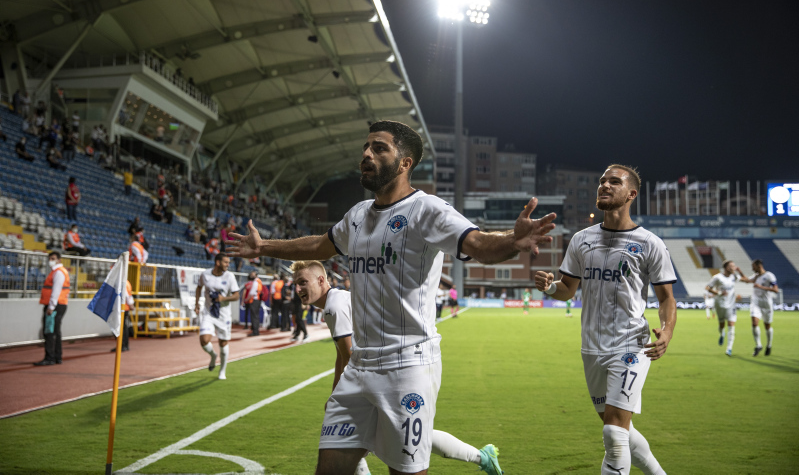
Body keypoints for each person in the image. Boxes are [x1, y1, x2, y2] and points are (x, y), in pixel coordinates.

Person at [225, 120, 555, 474]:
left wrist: (511, 241)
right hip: (360, 367)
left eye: (379, 148)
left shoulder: (426, 210)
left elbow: (477, 244)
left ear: (404, 163)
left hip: (407, 367)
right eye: (366, 147)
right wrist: (263, 247)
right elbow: (320, 244)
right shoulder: (356, 216)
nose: (367, 154)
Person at [293, 259, 504, 475]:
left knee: (364, 436)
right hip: (384, 370)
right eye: (296, 284)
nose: (298, 289)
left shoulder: (334, 307)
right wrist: (337, 392)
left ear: (321, 280)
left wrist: (339, 396)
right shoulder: (337, 301)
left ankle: (483, 457)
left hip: (386, 372)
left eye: (302, 282)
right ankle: (483, 457)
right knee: (408, 437)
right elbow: (343, 354)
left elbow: (348, 354)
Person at [535, 164, 676, 475]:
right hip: (592, 348)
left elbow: (666, 298)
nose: (604, 186)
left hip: (630, 345)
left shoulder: (649, 243)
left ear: (631, 193)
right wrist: (550, 286)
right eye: (602, 181)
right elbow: (566, 290)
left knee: (613, 433)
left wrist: (666, 331)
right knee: (619, 429)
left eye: (614, 182)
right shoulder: (581, 240)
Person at [194, 253, 240, 380]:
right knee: (204, 340)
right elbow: (199, 288)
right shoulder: (205, 274)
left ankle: (222, 371)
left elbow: (236, 295)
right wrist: (197, 303)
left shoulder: (230, 276)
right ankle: (213, 356)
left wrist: (223, 298)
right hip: (208, 312)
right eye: (226, 262)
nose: (228, 265)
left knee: (223, 343)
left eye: (228, 262)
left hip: (224, 314)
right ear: (218, 262)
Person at [34, 251, 70, 366]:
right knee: (56, 331)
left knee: (49, 331)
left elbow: (56, 291)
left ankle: (50, 357)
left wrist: (51, 307)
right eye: (50, 258)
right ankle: (57, 357)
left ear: (59, 260)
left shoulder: (58, 273)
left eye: (53, 258)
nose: (51, 260)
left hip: (55, 306)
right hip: (60, 304)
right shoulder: (59, 271)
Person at [739, 259, 779, 356]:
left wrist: (761, 287)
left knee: (767, 326)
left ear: (758, 266)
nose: (752, 269)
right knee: (754, 322)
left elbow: (776, 290)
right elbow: (747, 280)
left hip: (766, 304)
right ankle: (758, 345)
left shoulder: (769, 275)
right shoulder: (756, 276)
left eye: (753, 266)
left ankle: (769, 345)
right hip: (756, 302)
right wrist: (738, 273)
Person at [706, 260, 746, 356]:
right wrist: (719, 293)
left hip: (731, 305)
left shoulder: (734, 276)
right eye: (732, 266)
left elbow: (746, 280)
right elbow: (708, 288)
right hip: (720, 304)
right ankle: (721, 333)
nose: (734, 267)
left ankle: (729, 349)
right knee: (721, 325)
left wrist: (740, 271)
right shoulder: (717, 277)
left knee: (731, 325)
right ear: (727, 268)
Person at [242, 272, 262, 337]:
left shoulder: (256, 282)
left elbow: (252, 293)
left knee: (254, 316)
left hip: (254, 300)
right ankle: (255, 329)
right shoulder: (259, 281)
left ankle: (255, 331)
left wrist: (246, 299)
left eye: (252, 275)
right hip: (257, 300)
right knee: (256, 316)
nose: (251, 276)